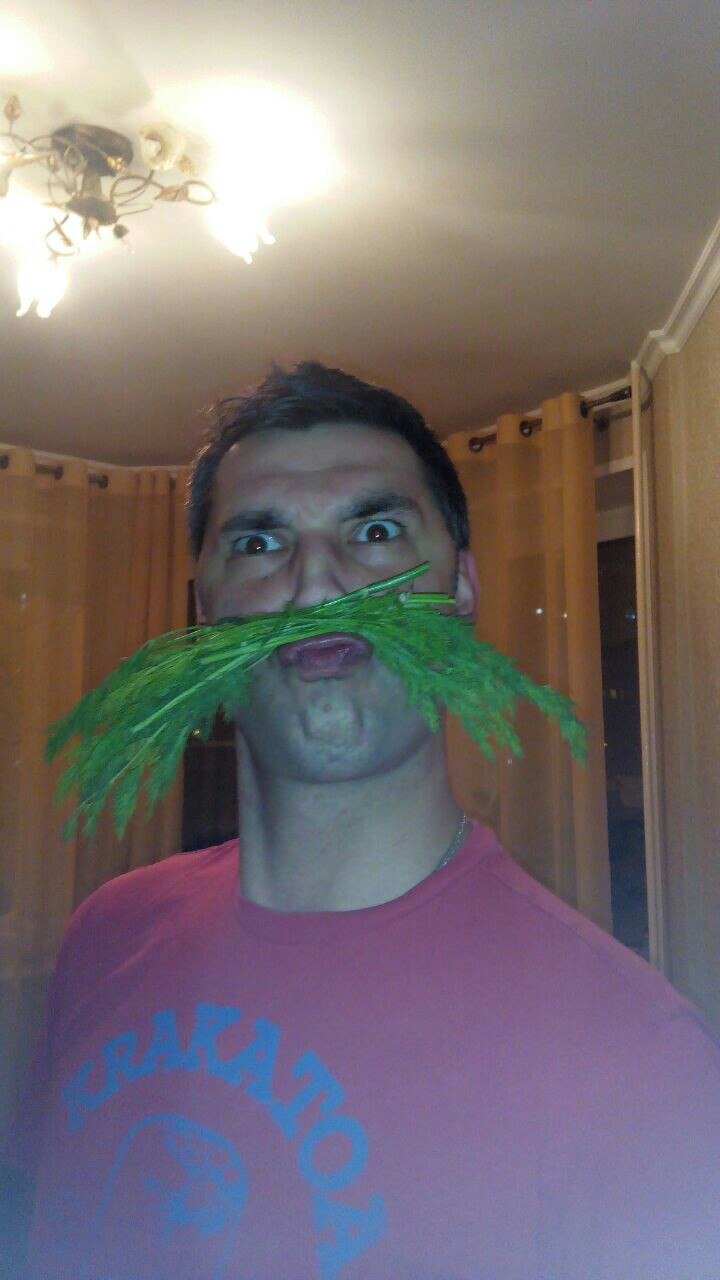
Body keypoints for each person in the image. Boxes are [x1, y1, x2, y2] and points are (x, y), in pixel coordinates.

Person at [4, 362, 720, 1278]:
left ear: (461, 589)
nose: (316, 587)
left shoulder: (641, 1065)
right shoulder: (105, 935)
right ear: (206, 610)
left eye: (375, 531)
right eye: (259, 543)